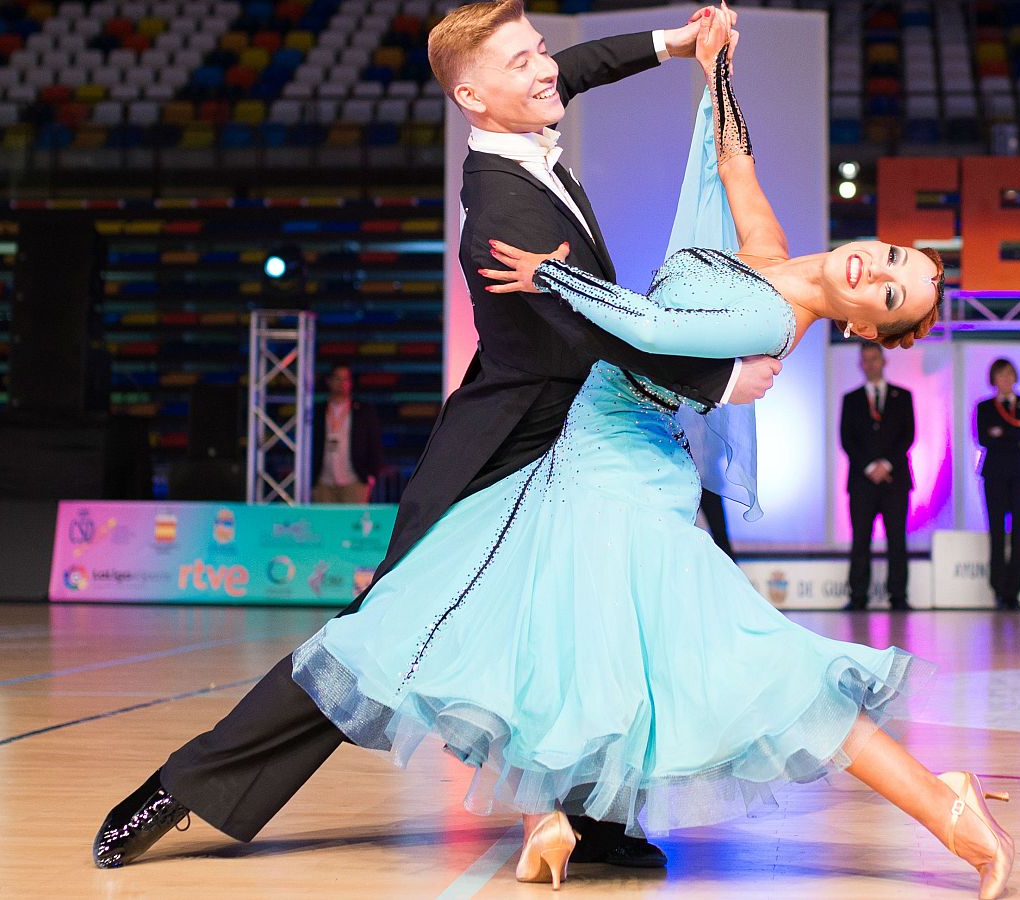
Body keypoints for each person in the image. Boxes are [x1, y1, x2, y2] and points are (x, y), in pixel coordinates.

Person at [91, 0, 779, 872]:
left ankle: (593, 818)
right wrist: (715, 379)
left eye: (540, 53)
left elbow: (579, 69)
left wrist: (672, 44)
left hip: (577, 437)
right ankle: (180, 789)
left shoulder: (517, 115)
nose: (545, 69)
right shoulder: (501, 210)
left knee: (586, 622)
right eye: (523, 61)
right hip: (506, 447)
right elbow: (583, 333)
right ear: (472, 96)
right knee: (372, 638)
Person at [347, 11, 1009, 896]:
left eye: (890, 295)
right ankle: (548, 813)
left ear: (864, 326)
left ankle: (944, 806)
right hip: (591, 450)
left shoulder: (772, 317)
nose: (875, 272)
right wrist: (716, 64)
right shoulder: (769, 257)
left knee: (736, 659)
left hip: (618, 470)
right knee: (562, 634)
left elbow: (652, 327)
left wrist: (552, 274)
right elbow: (734, 160)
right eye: (891, 256)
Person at [839, 343, 915, 611]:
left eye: (874, 358)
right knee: (861, 538)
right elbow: (847, 440)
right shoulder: (851, 399)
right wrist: (870, 466)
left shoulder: (903, 396)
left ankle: (898, 595)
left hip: (895, 481)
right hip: (862, 481)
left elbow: (908, 436)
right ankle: (858, 595)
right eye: (865, 360)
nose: (870, 363)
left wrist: (886, 464)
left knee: (897, 538)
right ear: (861, 364)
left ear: (884, 361)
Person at [975, 358, 1020, 610]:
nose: (1006, 380)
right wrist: (1017, 434)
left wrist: (1002, 433)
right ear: (994, 379)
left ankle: (1014, 590)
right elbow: (983, 437)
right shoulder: (985, 407)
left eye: (1010, 374)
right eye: (1001, 375)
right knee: (997, 532)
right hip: (995, 475)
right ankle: (999, 588)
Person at [311, 362, 384, 504]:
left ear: (351, 382)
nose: (342, 383)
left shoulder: (363, 411)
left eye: (346, 379)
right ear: (329, 381)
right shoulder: (317, 410)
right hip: (323, 481)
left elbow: (374, 444)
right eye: (338, 378)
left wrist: (371, 475)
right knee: (324, 524)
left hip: (354, 480)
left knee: (354, 524)